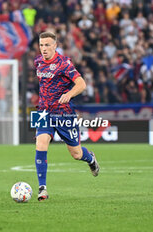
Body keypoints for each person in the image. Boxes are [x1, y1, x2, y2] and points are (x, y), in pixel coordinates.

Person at [33, 31, 100, 201]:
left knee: (76, 154)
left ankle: (90, 158)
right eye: (41, 45)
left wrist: (69, 94)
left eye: (47, 45)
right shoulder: (38, 62)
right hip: (43, 112)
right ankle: (42, 189)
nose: (44, 49)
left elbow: (81, 83)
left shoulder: (64, 63)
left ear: (55, 45)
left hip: (64, 114)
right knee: (41, 143)